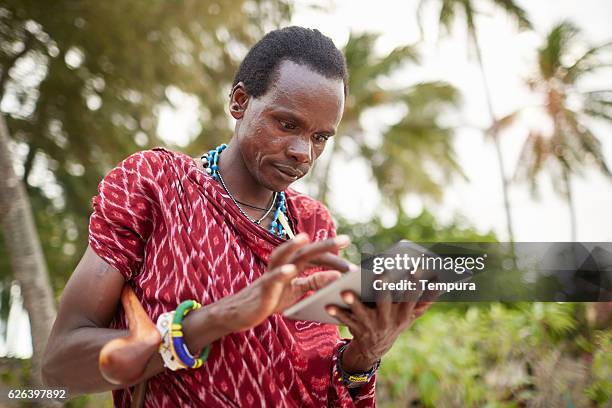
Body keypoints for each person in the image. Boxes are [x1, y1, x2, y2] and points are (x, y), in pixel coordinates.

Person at [42, 26, 430, 407]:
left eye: (320, 137)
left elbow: (311, 386)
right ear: (239, 102)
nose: (303, 152)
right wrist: (220, 318)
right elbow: (59, 368)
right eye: (287, 124)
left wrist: (364, 357)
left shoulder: (311, 225)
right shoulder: (158, 186)